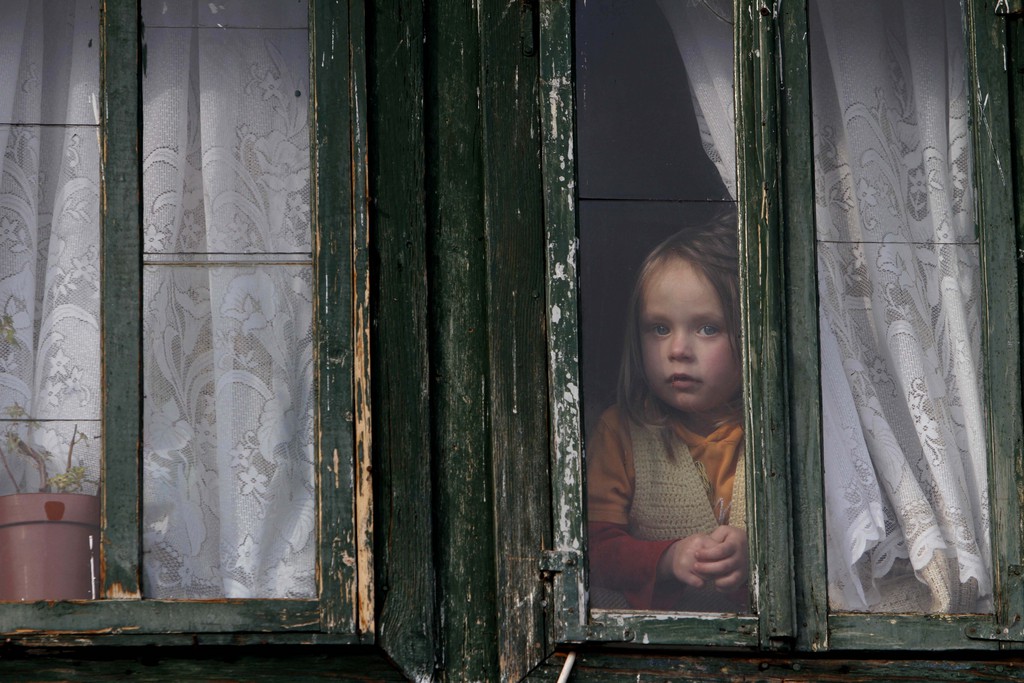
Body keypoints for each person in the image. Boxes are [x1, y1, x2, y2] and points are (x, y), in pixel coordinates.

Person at [586, 214, 748, 612]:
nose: (677, 349)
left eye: (707, 328)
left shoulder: (771, 431)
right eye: (659, 328)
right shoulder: (621, 433)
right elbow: (593, 549)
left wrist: (758, 563)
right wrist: (667, 560)